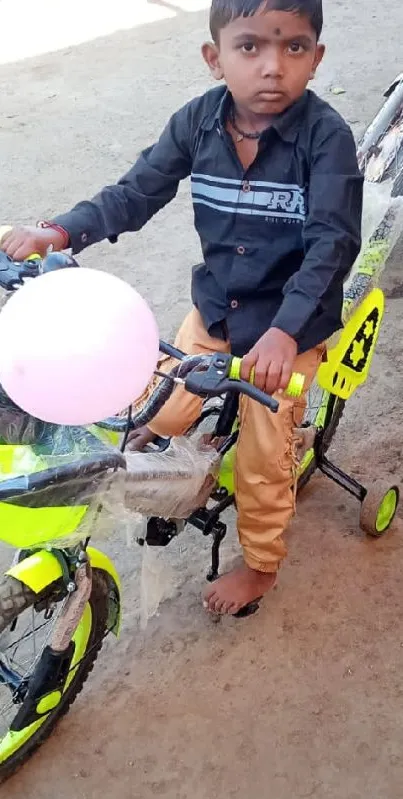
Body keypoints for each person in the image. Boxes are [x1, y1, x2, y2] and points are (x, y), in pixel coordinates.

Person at [1, 0, 363, 616]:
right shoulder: (196, 123)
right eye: (250, 47)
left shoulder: (326, 139)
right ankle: (178, 437)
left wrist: (285, 332)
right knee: (160, 411)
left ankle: (261, 565)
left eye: (293, 47)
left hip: (288, 328)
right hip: (216, 311)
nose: (272, 67)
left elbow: (332, 244)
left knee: (261, 460)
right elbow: (136, 192)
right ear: (214, 58)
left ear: (316, 57)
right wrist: (60, 232)